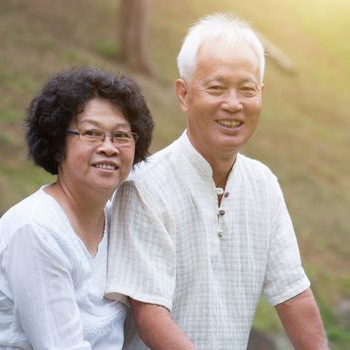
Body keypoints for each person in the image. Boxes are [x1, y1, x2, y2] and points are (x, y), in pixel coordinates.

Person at [105, 13, 328, 349]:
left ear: (261, 94)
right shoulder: (144, 187)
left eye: (247, 89)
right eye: (217, 87)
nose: (233, 104)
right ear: (183, 94)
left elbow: (293, 295)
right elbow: (150, 315)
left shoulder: (263, 184)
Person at [0, 67, 154, 349]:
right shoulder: (36, 230)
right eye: (91, 133)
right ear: (56, 146)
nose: (109, 147)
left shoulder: (118, 221)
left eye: (121, 136)